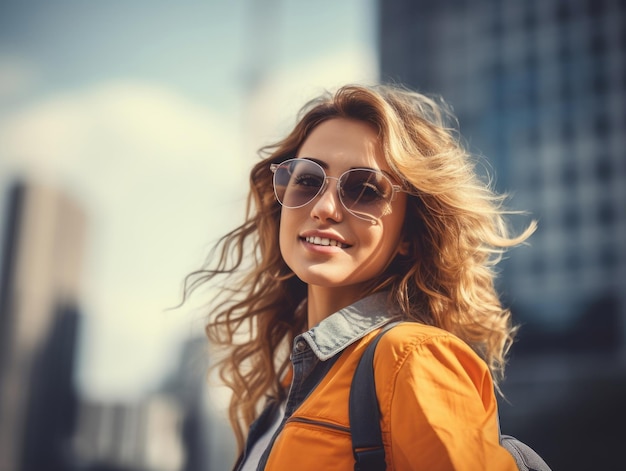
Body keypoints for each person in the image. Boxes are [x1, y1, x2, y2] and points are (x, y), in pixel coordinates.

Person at [186, 84, 537, 470]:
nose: (323, 207)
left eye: (365, 190)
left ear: (408, 234)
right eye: (306, 179)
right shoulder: (290, 387)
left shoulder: (412, 359)